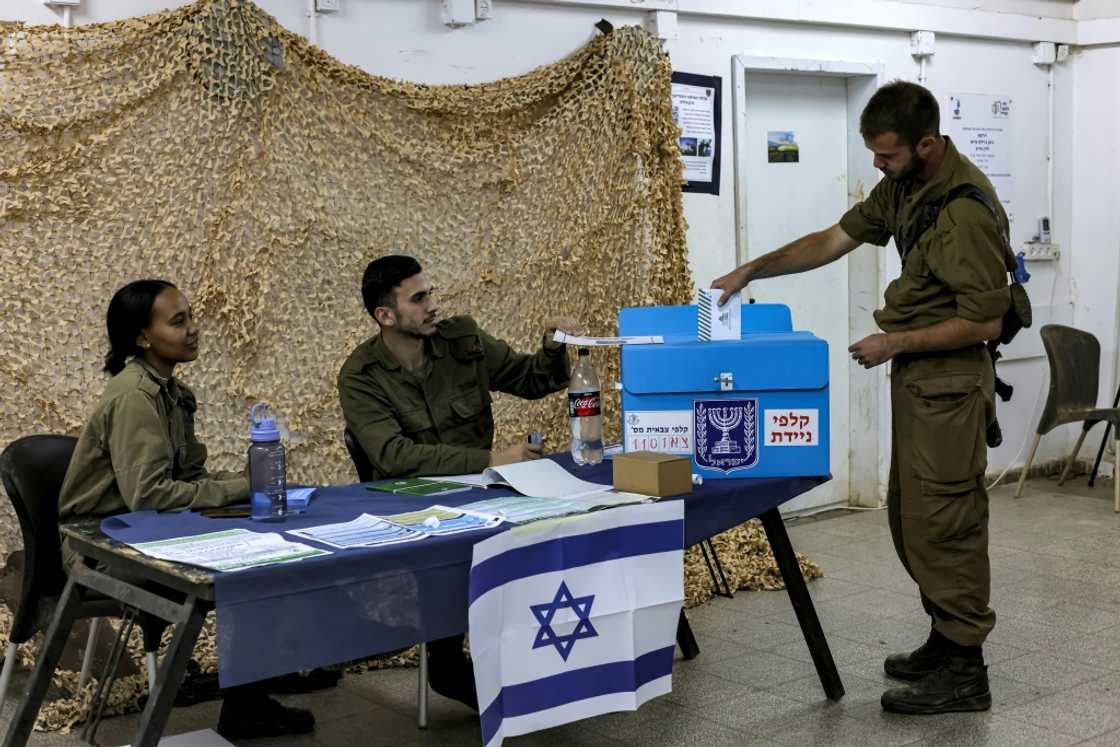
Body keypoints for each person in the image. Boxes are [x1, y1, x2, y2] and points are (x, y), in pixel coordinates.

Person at [711, 81, 1011, 715]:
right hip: (923, 386)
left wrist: (895, 342)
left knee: (946, 521)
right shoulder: (906, 186)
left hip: (951, 386)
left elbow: (986, 322)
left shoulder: (963, 210)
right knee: (912, 517)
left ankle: (966, 671)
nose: (878, 166)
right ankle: (945, 639)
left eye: (888, 156)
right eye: (874, 155)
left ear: (926, 144)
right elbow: (832, 239)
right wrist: (750, 270)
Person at [59, 280, 321, 739]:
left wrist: (254, 485)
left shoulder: (171, 392)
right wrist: (243, 487)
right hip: (102, 544)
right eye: (178, 321)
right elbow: (152, 494)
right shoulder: (136, 397)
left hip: (145, 529)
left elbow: (188, 480)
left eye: (190, 317)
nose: (194, 330)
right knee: (248, 569)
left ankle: (248, 699)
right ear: (143, 336)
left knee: (271, 558)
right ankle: (247, 700)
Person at [338, 254, 580, 709]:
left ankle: (556, 651)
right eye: (419, 298)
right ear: (385, 316)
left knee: (565, 522)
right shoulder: (361, 375)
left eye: (430, 292)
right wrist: (492, 457)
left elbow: (532, 380)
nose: (432, 305)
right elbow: (393, 457)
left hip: (485, 493)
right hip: (411, 505)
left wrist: (551, 347)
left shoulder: (462, 339)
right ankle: (449, 664)